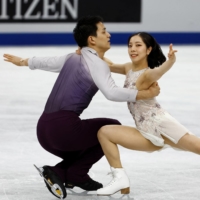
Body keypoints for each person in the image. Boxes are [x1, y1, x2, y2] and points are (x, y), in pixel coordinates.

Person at [3, 18, 160, 199]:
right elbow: (111, 92)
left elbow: (44, 62)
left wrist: (23, 61)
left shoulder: (73, 56)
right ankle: (72, 173)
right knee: (111, 129)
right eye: (103, 31)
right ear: (92, 39)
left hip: (44, 130)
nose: (108, 35)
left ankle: (69, 174)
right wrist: (143, 95)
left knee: (95, 136)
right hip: (63, 131)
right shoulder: (97, 64)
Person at [96, 32, 200, 196]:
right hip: (144, 132)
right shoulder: (128, 68)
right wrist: (89, 50)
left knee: (198, 147)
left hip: (161, 125)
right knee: (105, 132)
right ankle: (120, 179)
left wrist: (171, 60)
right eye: (130, 45)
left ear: (149, 49)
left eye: (138, 45)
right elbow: (107, 65)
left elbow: (159, 71)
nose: (133, 49)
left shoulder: (147, 74)